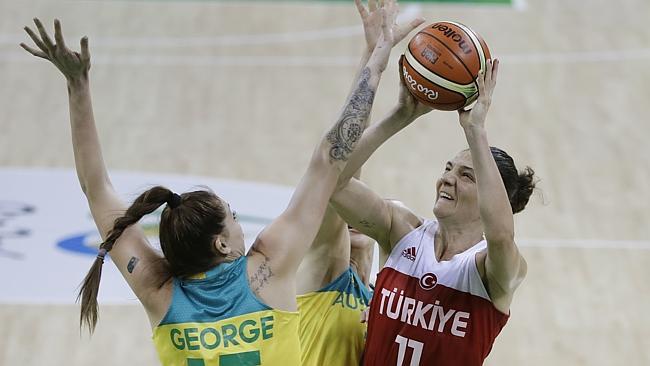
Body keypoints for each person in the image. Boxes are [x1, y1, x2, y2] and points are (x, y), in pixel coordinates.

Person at [20, 6, 399, 364]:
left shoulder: (159, 292)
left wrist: (77, 85)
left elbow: (95, 187)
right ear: (221, 242)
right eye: (232, 216)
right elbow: (330, 158)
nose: (238, 223)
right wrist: (375, 62)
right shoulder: (267, 268)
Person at [331, 58, 537, 365]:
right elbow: (334, 181)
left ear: (494, 199)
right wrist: (398, 117)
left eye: (467, 176)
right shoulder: (400, 229)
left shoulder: (493, 269)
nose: (447, 178)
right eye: (448, 168)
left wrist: (475, 130)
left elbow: (501, 234)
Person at [294, 2, 423, 365]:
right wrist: (373, 59)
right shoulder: (323, 270)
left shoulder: (382, 303)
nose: (351, 216)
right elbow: (340, 161)